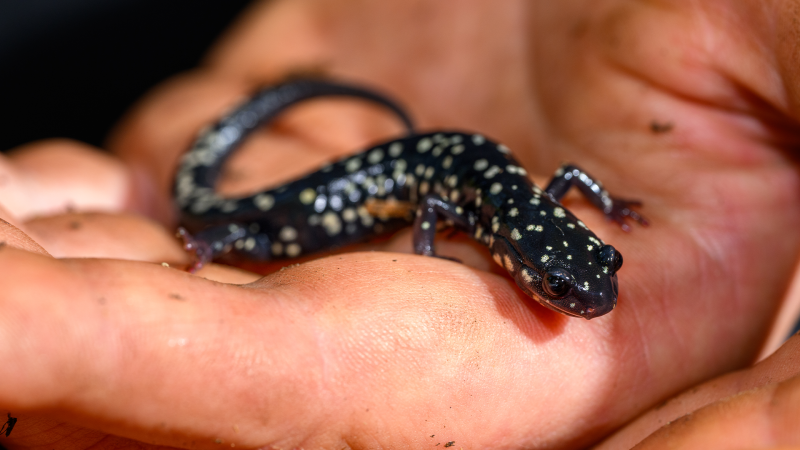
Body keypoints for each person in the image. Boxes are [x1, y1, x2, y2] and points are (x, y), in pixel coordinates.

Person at [1, 1, 800, 448]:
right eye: (564, 283)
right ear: (521, 256)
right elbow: (441, 205)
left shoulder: (524, 212)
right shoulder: (497, 212)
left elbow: (563, 183)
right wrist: (426, 253)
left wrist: (613, 206)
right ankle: (216, 229)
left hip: (415, 161)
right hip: (338, 187)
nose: (586, 296)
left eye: (597, 270)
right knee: (281, 226)